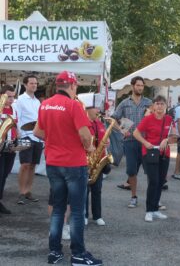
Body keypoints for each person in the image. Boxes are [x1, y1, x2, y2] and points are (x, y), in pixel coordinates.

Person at [33, 71, 102, 266]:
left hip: (53, 164)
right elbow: (86, 136)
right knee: (78, 212)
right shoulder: (74, 105)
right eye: (76, 86)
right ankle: (78, 255)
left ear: (57, 85)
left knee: (57, 209)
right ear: (72, 86)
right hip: (74, 164)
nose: (76, 89)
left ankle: (54, 253)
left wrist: (56, 139)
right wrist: (89, 147)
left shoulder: (45, 104)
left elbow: (37, 131)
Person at [133, 95, 175, 222]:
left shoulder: (169, 119)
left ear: (166, 106)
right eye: (157, 104)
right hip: (150, 152)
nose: (159, 106)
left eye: (162, 104)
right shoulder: (148, 119)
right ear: (153, 106)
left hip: (164, 154)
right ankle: (149, 210)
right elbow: (136, 133)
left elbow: (174, 137)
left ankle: (155, 209)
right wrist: (145, 143)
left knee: (161, 182)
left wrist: (167, 140)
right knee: (153, 181)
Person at [112, 76, 152, 208]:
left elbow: (158, 117)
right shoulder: (124, 103)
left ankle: (153, 198)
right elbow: (113, 119)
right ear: (132, 86)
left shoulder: (149, 102)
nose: (140, 87)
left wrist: (150, 115)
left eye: (142, 85)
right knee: (131, 171)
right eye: (138, 85)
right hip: (130, 142)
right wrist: (121, 130)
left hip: (145, 142)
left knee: (150, 172)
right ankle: (134, 197)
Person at [15, 75, 43, 204]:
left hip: (37, 137)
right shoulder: (19, 100)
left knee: (32, 166)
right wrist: (19, 134)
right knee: (24, 164)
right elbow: (17, 118)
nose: (34, 85)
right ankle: (21, 192)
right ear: (25, 85)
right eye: (31, 83)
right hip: (25, 135)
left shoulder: (37, 101)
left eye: (36, 83)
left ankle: (28, 191)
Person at [84, 99, 109, 226]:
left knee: (97, 189)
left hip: (99, 160)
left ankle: (97, 215)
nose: (98, 111)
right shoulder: (84, 124)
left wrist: (106, 140)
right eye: (95, 108)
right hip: (87, 160)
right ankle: (84, 215)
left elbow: (104, 137)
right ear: (87, 109)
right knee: (85, 190)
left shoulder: (99, 123)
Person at [0, 85, 18, 215]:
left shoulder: (14, 108)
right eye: (9, 96)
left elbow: (16, 125)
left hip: (10, 145)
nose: (11, 99)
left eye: (13, 96)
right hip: (1, 145)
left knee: (5, 175)